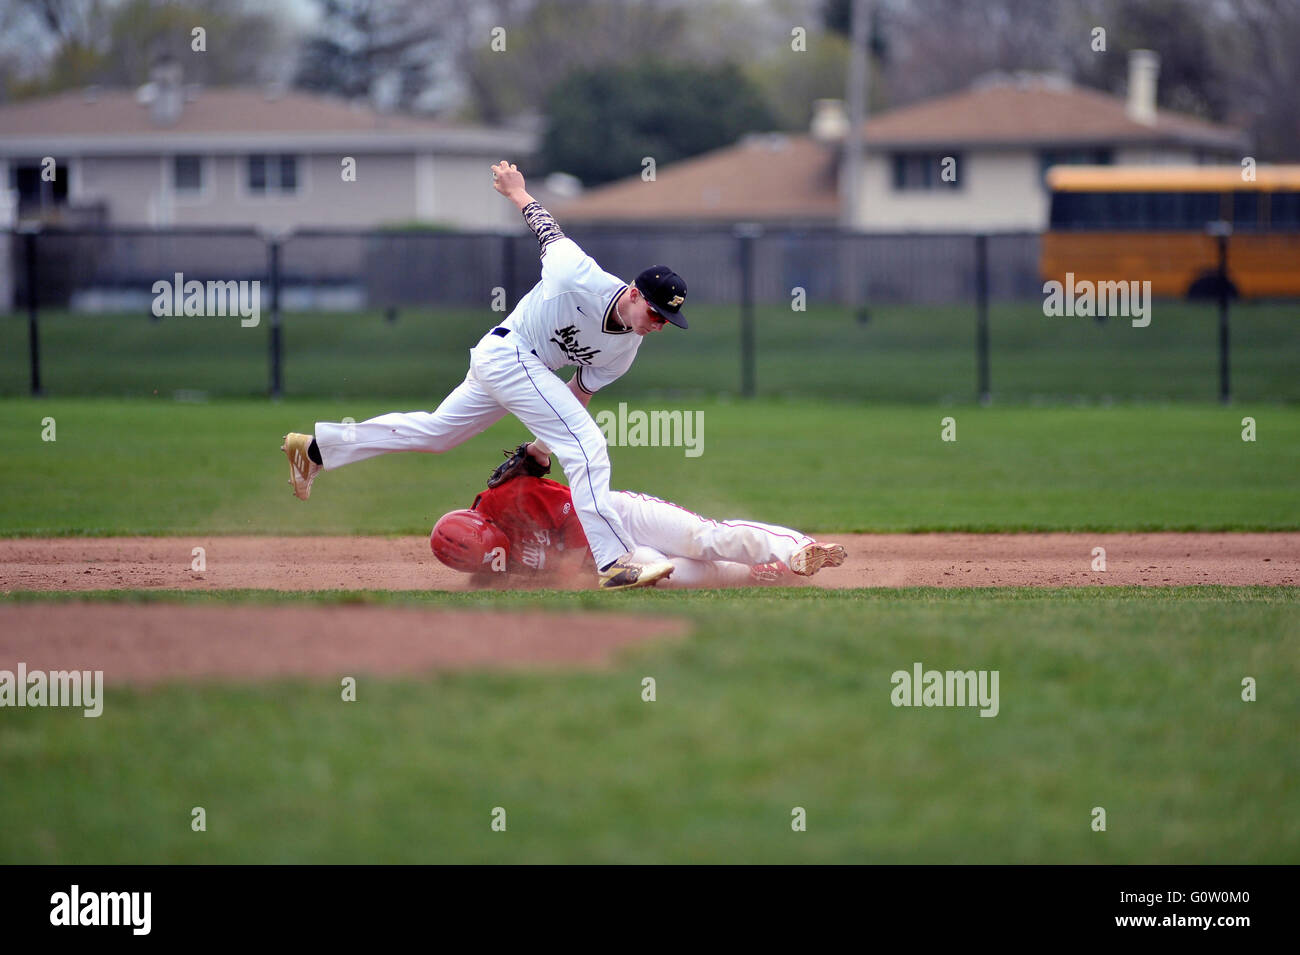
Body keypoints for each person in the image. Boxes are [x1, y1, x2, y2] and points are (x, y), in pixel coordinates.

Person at [281, 161, 690, 591]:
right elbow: (548, 230)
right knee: (588, 445)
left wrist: (538, 451)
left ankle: (314, 450)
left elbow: (577, 393)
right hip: (508, 354)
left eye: (667, 320)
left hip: (518, 369)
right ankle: (615, 561)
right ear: (632, 293)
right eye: (655, 312)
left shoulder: (625, 349)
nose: (658, 323)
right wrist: (516, 190)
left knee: (438, 434)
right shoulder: (577, 275)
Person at [430, 473, 847, 589]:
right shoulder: (490, 561)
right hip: (613, 562)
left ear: (487, 527)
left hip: (620, 516)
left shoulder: (508, 497)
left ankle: (797, 548)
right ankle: (761, 573)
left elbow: (578, 510)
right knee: (665, 575)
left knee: (705, 539)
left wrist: (568, 571)